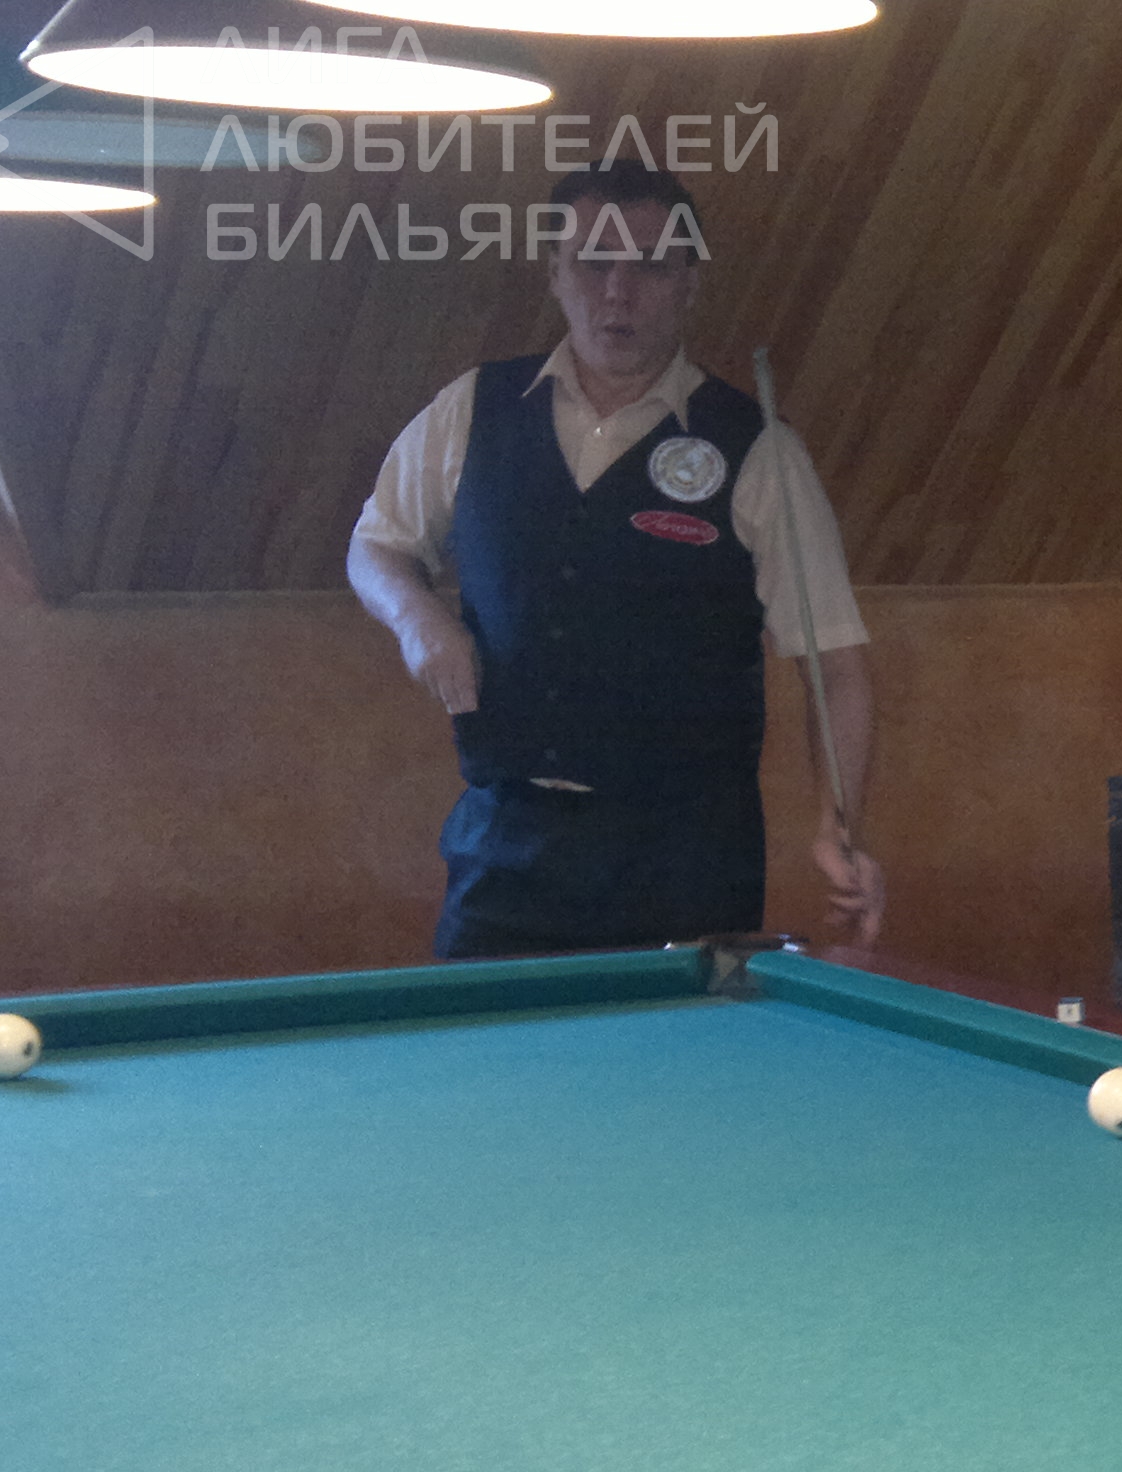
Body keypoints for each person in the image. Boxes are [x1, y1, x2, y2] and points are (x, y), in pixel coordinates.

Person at [348, 160, 882, 958]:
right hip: (504, 849)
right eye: (593, 262)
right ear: (555, 273)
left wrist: (840, 825)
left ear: (689, 283)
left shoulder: (757, 449)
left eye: (651, 267)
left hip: (686, 863)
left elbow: (835, 666)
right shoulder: (474, 408)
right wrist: (418, 619)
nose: (618, 292)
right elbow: (375, 545)